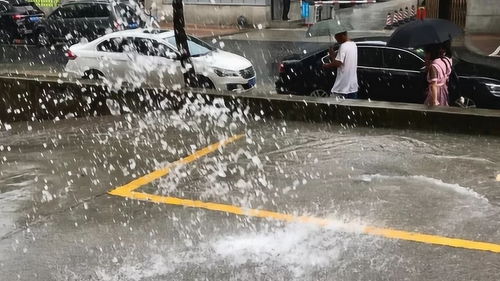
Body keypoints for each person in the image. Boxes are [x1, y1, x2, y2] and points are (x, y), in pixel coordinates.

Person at [322, 31, 359, 99]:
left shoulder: (343, 46)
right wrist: (332, 55)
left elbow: (338, 63)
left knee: (335, 107)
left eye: (337, 38)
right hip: (352, 87)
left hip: (342, 87)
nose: (337, 40)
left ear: (342, 36)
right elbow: (341, 62)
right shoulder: (353, 45)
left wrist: (326, 65)